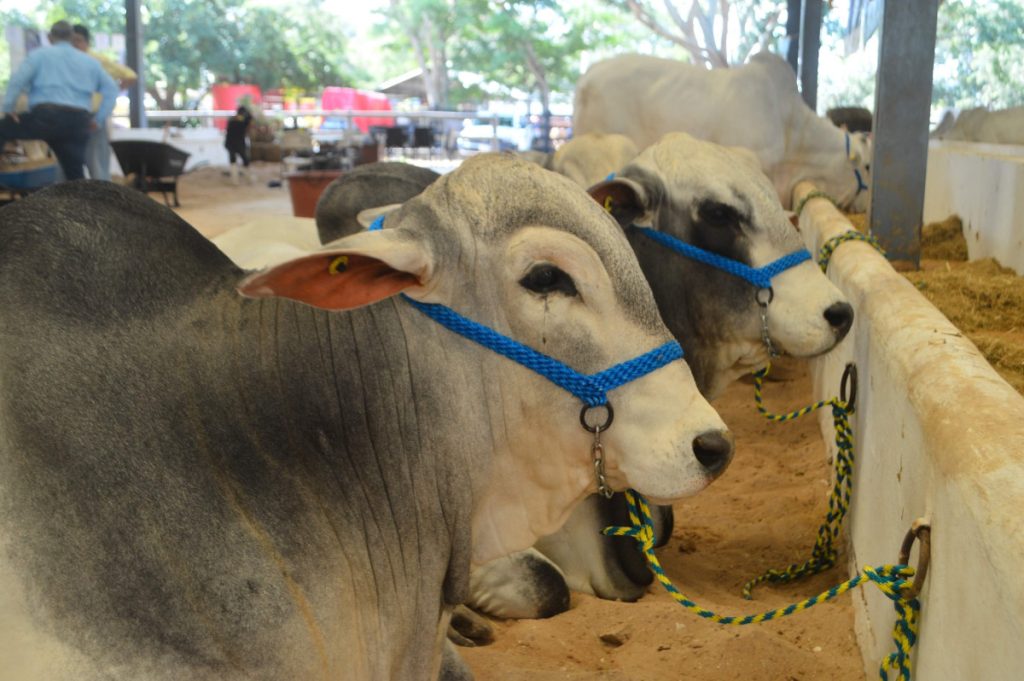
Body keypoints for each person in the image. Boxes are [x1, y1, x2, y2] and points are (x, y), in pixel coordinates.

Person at [1, 20, 118, 181]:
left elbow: (17, 81)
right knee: (74, 176)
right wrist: (97, 119)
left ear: (49, 37)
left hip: (44, 118)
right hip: (78, 122)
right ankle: (78, 203)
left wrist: (8, 108)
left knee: (2, 129)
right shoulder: (90, 62)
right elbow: (112, 90)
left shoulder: (38, 56)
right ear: (71, 37)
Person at [71, 24, 137, 181]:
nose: (75, 44)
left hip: (94, 117)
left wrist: (117, 89)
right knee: (70, 164)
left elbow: (130, 75)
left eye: (78, 40)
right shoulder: (65, 62)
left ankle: (102, 200)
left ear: (87, 42)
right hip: (70, 117)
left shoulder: (97, 60)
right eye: (71, 41)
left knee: (97, 163)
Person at [224, 105, 253, 185]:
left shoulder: (232, 120)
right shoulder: (243, 121)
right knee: (244, 160)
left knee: (233, 160)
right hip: (238, 143)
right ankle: (247, 179)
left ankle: (235, 180)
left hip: (230, 143)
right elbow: (249, 120)